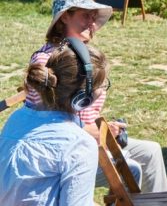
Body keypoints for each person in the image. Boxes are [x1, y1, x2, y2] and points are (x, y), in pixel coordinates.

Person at [25, 0, 167, 192]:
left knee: (151, 151)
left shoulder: (84, 57)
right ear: (65, 17)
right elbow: (47, 122)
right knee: (131, 169)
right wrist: (96, 131)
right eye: (85, 15)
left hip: (91, 139)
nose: (92, 23)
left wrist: (106, 128)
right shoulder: (46, 61)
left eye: (94, 18)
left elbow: (84, 112)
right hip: (63, 150)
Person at [0, 40, 108, 205]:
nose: (101, 92)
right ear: (82, 99)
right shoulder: (80, 144)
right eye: (101, 86)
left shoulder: (17, 118)